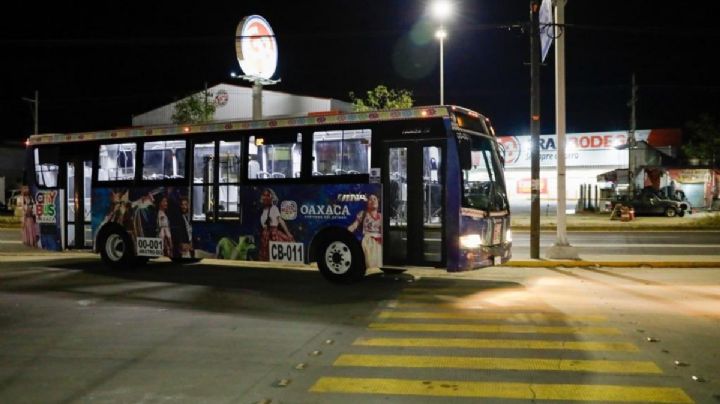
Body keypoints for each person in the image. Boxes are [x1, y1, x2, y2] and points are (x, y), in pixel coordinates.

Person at [347, 193, 382, 268]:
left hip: (379, 244)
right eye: (370, 199)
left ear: (378, 202)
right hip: (368, 242)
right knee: (369, 264)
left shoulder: (381, 216)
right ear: (367, 204)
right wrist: (344, 233)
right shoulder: (363, 214)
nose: (373, 201)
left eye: (375, 199)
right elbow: (354, 225)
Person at [258, 188, 294, 261]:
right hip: (265, 236)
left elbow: (281, 221)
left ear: (271, 197)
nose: (265, 197)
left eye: (268, 195)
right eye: (264, 195)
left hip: (273, 235)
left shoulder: (274, 208)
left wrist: (288, 233)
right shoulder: (264, 210)